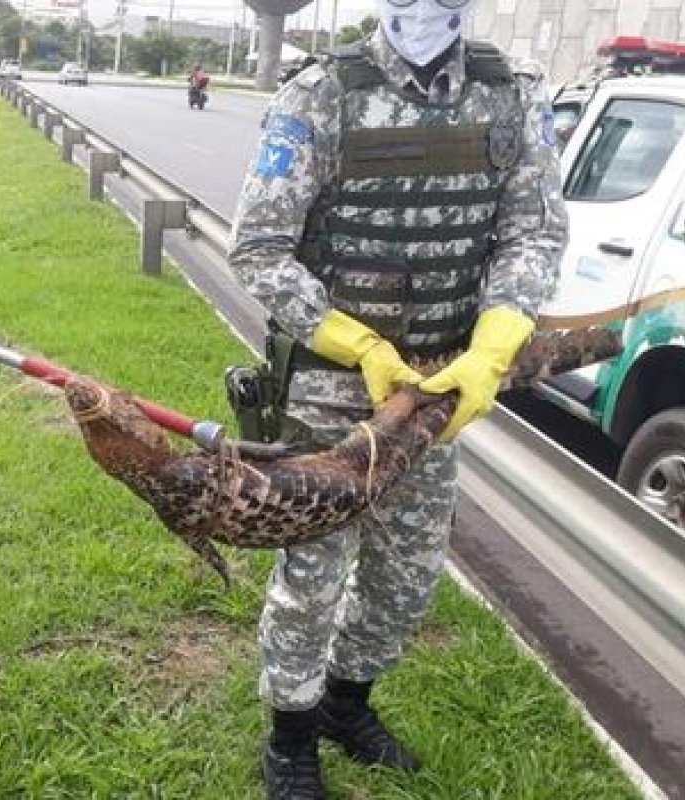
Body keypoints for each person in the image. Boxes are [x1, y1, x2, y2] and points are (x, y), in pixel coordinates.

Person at [226, 1, 567, 797]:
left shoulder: (511, 93)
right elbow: (260, 248)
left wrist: (492, 347)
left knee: (406, 578)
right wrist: (362, 345)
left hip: (440, 391)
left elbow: (535, 233)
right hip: (329, 392)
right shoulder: (322, 93)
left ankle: (345, 703)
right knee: (313, 576)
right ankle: (290, 737)